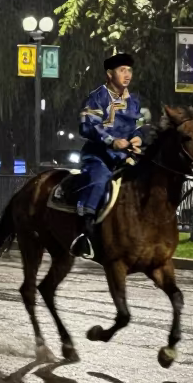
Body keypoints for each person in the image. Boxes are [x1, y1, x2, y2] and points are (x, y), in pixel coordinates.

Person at [71, 52, 145, 259]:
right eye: (122, 70)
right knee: (100, 180)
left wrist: (138, 138)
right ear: (110, 74)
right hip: (97, 156)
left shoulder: (134, 101)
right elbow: (87, 126)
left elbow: (139, 127)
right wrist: (111, 141)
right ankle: (84, 234)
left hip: (125, 157)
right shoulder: (97, 97)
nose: (127, 74)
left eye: (129, 70)